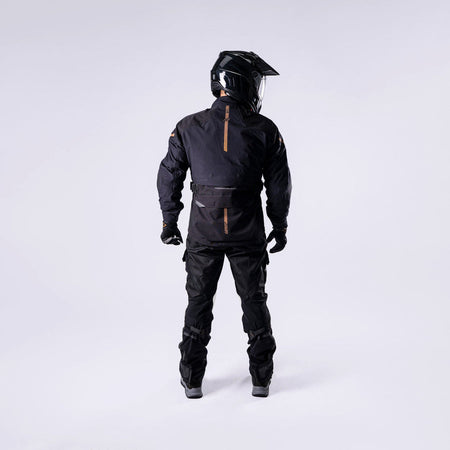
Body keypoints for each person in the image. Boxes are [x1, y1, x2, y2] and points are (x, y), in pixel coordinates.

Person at [157, 50, 291, 398]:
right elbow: (279, 183)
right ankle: (261, 378)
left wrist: (169, 221)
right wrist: (280, 224)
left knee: (198, 303)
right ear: (243, 83)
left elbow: (169, 173)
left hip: (204, 231)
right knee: (254, 301)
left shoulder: (188, 126)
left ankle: (192, 379)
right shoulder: (265, 129)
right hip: (247, 232)